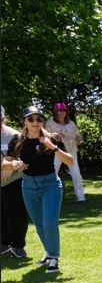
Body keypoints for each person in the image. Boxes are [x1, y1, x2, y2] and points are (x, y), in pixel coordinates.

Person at [9, 106, 73, 273]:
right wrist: (13, 164)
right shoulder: (18, 141)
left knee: (50, 222)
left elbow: (70, 161)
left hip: (50, 184)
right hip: (28, 185)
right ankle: (48, 252)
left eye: (39, 119)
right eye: (31, 119)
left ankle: (53, 257)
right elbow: (5, 163)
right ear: (25, 121)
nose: (35, 122)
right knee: (39, 224)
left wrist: (53, 147)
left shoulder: (52, 138)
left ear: (43, 121)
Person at [0, 106, 29, 258]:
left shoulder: (14, 135)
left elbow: (25, 158)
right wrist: (5, 165)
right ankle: (4, 244)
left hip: (15, 180)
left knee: (16, 213)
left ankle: (18, 246)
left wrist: (11, 167)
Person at [44, 102, 85, 203]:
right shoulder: (50, 122)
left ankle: (81, 198)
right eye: (59, 110)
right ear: (56, 112)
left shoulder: (71, 123)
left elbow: (77, 135)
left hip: (71, 152)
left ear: (66, 112)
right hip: (57, 152)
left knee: (76, 174)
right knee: (53, 174)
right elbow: (45, 136)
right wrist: (55, 136)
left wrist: (79, 138)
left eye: (64, 110)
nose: (62, 112)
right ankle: (49, 196)